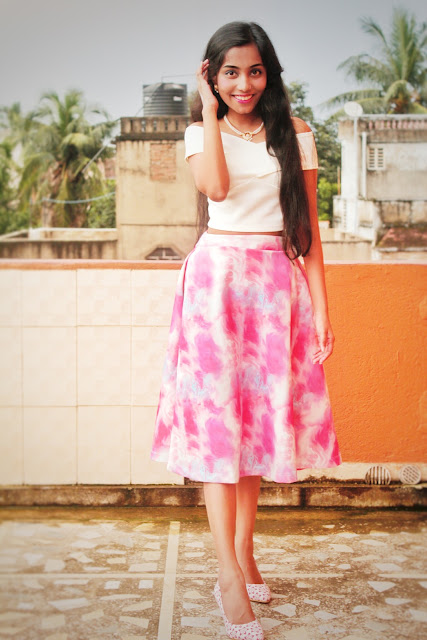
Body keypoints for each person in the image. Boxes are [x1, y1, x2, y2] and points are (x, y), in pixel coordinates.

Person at [150, 21, 342, 640]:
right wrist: (209, 112)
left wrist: (322, 309)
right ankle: (228, 576)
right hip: (215, 287)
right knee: (218, 430)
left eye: (255, 71)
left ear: (269, 74)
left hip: (274, 286)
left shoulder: (297, 134)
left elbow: (307, 232)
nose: (244, 83)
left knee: (256, 424)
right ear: (211, 76)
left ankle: (245, 551)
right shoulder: (198, 133)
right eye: (230, 72)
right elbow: (216, 188)